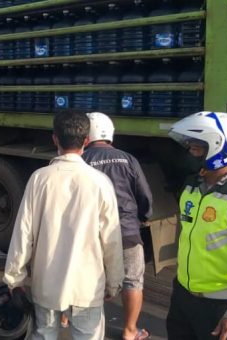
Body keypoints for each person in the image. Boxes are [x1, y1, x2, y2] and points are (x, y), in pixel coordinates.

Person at [3, 112, 124, 339]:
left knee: (44, 334)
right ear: (86, 140)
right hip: (87, 285)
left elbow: (23, 232)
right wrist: (114, 281)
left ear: (55, 139)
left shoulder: (40, 179)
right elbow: (111, 238)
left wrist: (14, 278)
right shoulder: (100, 182)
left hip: (47, 284)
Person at [166, 111, 227, 339]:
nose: (190, 153)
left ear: (219, 149)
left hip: (222, 307)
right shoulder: (191, 186)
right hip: (183, 299)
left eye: (196, 147)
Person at [81, 112, 153, 340]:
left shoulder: (82, 160)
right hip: (127, 230)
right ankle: (130, 331)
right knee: (133, 280)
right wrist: (142, 217)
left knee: (89, 278)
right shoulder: (128, 159)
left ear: (86, 135)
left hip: (93, 233)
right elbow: (145, 195)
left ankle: (82, 324)